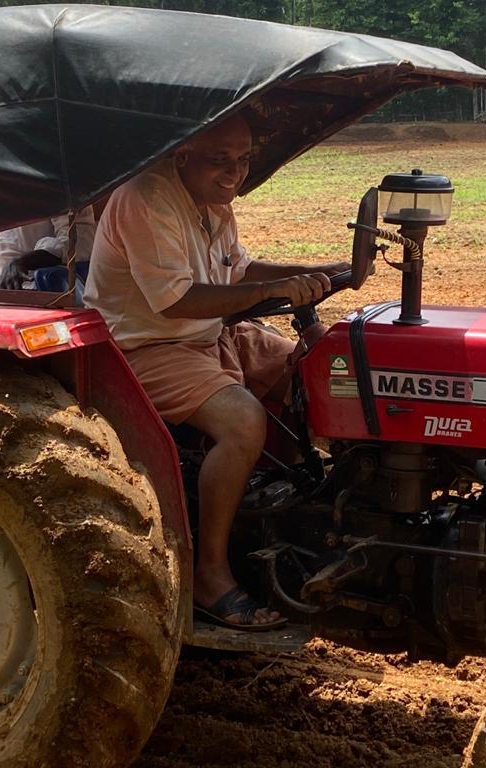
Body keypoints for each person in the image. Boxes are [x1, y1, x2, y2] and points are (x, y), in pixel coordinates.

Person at [84, 114, 347, 630]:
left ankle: (286, 528)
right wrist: (270, 293)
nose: (235, 173)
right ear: (182, 156)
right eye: (220, 160)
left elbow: (239, 271)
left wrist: (323, 271)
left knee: (314, 373)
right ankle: (209, 573)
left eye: (244, 159)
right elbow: (178, 300)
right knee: (243, 421)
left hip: (207, 337)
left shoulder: (213, 201)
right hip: (144, 348)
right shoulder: (146, 197)